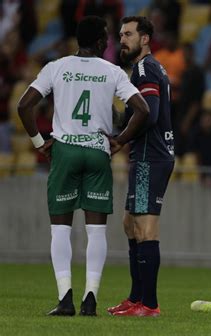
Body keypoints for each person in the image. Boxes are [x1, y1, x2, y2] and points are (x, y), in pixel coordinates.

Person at [17, 16, 150, 316]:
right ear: (101, 41)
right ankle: (90, 298)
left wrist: (40, 143)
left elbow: (24, 105)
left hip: (65, 150)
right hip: (96, 152)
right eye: (106, 36)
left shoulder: (57, 67)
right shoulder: (113, 71)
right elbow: (142, 109)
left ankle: (65, 299)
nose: (109, 41)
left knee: (60, 230)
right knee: (96, 231)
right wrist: (120, 139)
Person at [107, 16, 175, 317]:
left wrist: (120, 139)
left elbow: (149, 113)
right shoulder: (143, 69)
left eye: (129, 34)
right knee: (130, 225)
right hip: (146, 154)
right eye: (121, 34)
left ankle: (149, 304)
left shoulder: (146, 69)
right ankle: (136, 299)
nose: (123, 39)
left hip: (151, 155)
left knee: (145, 228)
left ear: (145, 39)